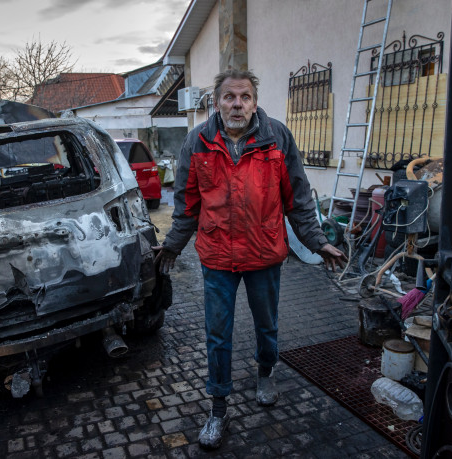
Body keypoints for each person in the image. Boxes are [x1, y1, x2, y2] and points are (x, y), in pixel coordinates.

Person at [153, 69, 346, 450]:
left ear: (254, 102)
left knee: (266, 324)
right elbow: (187, 204)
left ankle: (265, 371)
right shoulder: (198, 142)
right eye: (229, 97)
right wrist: (173, 244)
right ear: (217, 101)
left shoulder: (277, 138)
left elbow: (299, 199)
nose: (237, 104)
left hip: (263, 253)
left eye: (244, 97)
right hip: (217, 255)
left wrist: (317, 241)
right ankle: (218, 408)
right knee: (217, 334)